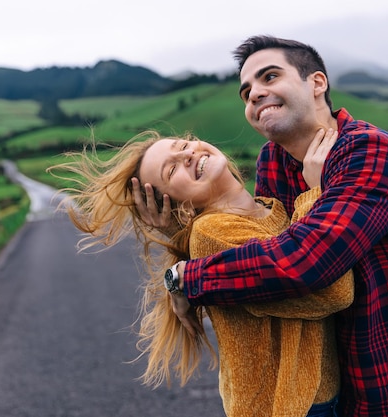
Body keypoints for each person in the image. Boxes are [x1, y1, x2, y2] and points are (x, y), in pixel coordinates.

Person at [134, 36, 388, 416]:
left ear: (317, 83)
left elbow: (305, 263)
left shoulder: (371, 152)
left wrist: (189, 278)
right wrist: (179, 235)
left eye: (269, 76)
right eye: (247, 91)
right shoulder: (274, 161)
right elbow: (266, 253)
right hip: (325, 391)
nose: (255, 93)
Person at [49, 129, 354, 417]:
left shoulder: (272, 208)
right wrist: (317, 192)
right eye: (171, 171)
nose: (187, 155)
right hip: (287, 406)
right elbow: (332, 291)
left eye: (183, 145)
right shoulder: (212, 233)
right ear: (177, 205)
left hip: (315, 398)